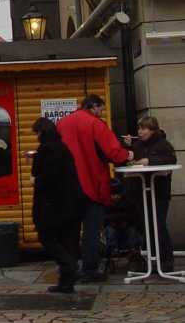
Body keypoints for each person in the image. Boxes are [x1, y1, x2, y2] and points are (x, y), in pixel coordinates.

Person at [57, 94, 134, 283]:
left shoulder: (62, 123)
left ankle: (67, 273)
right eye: (101, 109)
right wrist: (129, 154)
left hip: (67, 189)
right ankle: (89, 272)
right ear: (94, 105)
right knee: (91, 233)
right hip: (91, 187)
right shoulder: (95, 124)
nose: (101, 113)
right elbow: (112, 152)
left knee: (70, 234)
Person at [31, 117, 85, 293]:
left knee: (46, 236)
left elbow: (49, 175)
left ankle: (70, 268)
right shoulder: (62, 147)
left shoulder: (48, 149)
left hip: (55, 203)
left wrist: (36, 180)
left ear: (41, 132)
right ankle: (66, 282)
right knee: (67, 240)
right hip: (72, 203)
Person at [123, 115, 177, 272]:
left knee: (159, 225)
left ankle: (166, 261)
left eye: (143, 128)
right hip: (141, 191)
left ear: (152, 130)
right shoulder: (138, 145)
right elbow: (131, 160)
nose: (140, 132)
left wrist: (150, 161)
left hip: (158, 192)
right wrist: (129, 150)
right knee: (147, 226)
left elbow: (171, 159)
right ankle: (153, 260)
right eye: (139, 128)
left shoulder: (163, 144)